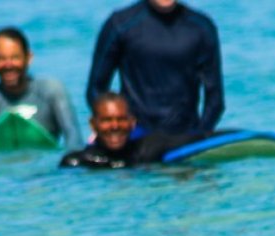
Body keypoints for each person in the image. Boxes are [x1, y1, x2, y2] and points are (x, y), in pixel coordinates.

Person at [86, 0, 223, 136]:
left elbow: (215, 99)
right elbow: (96, 89)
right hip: (135, 135)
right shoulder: (120, 23)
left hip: (184, 136)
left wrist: (200, 134)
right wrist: (109, 131)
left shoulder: (202, 27)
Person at [0, 27, 84, 150]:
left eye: (15, 57)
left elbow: (74, 141)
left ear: (29, 57)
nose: (8, 65)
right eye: (2, 58)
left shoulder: (52, 91)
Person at [60, 92, 206, 169]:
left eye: (121, 119)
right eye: (106, 120)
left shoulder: (151, 147)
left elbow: (199, 140)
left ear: (132, 122)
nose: (115, 126)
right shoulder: (75, 162)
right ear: (93, 124)